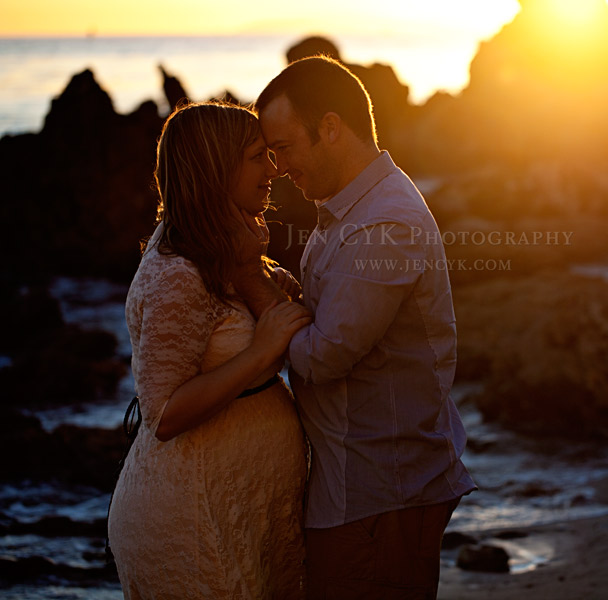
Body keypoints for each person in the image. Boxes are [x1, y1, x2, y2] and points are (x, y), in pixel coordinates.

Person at [234, 56, 476, 599]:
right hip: (363, 489)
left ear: (330, 128)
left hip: (379, 493)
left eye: (283, 147)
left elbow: (324, 355)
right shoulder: (349, 212)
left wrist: (252, 284)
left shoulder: (384, 223)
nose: (276, 168)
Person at [107, 101, 311, 599]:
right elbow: (165, 412)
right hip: (196, 519)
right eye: (257, 157)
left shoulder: (226, 248)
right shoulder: (179, 272)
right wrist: (259, 355)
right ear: (216, 168)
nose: (273, 168)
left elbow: (295, 313)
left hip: (245, 509)